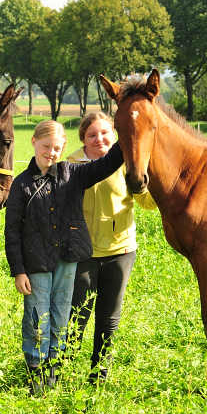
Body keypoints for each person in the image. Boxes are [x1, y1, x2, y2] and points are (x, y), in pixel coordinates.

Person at [4, 120, 124, 395]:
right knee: (37, 319)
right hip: (35, 265)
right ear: (33, 142)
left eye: (57, 148)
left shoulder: (73, 174)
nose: (51, 153)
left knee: (60, 317)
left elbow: (106, 164)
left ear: (64, 148)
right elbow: (12, 230)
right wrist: (18, 270)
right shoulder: (21, 184)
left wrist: (127, 134)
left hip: (67, 261)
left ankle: (53, 377)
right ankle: (36, 378)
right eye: (46, 146)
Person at [67, 112, 157, 384]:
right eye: (92, 134)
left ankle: (99, 377)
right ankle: (66, 370)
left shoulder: (127, 164)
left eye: (105, 133)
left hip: (120, 250)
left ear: (115, 136)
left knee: (108, 319)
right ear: (83, 138)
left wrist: (140, 187)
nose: (99, 139)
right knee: (76, 317)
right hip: (82, 254)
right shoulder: (69, 165)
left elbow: (149, 204)